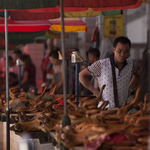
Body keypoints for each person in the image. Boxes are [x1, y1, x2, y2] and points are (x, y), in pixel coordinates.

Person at [79, 36, 140, 108]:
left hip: (124, 109)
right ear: (113, 50)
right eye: (119, 51)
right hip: (105, 109)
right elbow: (81, 75)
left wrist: (130, 89)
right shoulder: (102, 64)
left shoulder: (131, 64)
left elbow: (137, 76)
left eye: (126, 52)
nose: (122, 55)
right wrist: (96, 92)